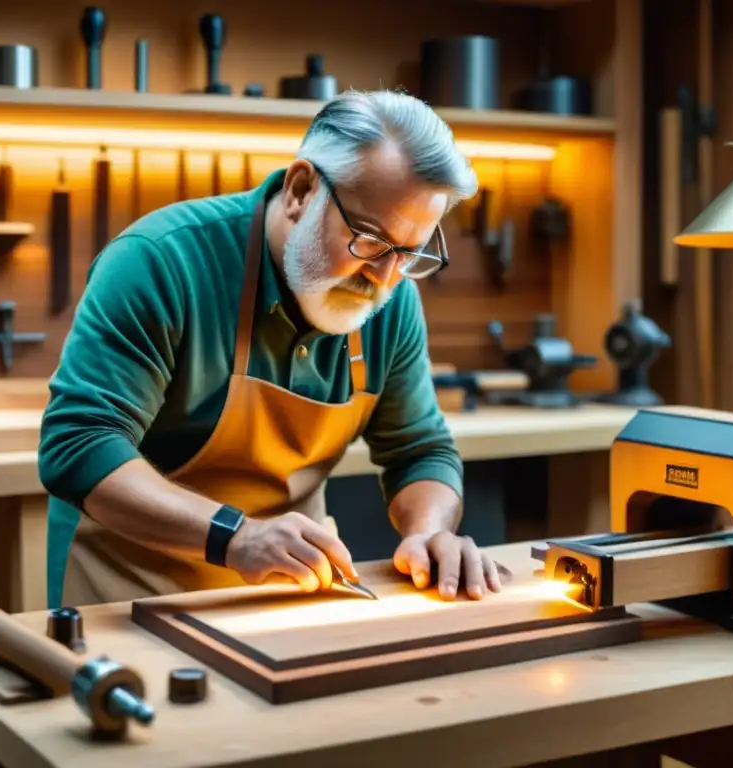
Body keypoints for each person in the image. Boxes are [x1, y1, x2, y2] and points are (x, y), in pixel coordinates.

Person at [39, 89, 504, 609]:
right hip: (124, 594)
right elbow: (78, 446)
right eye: (370, 241)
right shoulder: (160, 263)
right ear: (302, 189)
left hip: (286, 596)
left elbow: (419, 450)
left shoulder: (389, 302)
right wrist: (236, 538)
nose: (385, 277)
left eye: (410, 252)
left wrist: (429, 532)